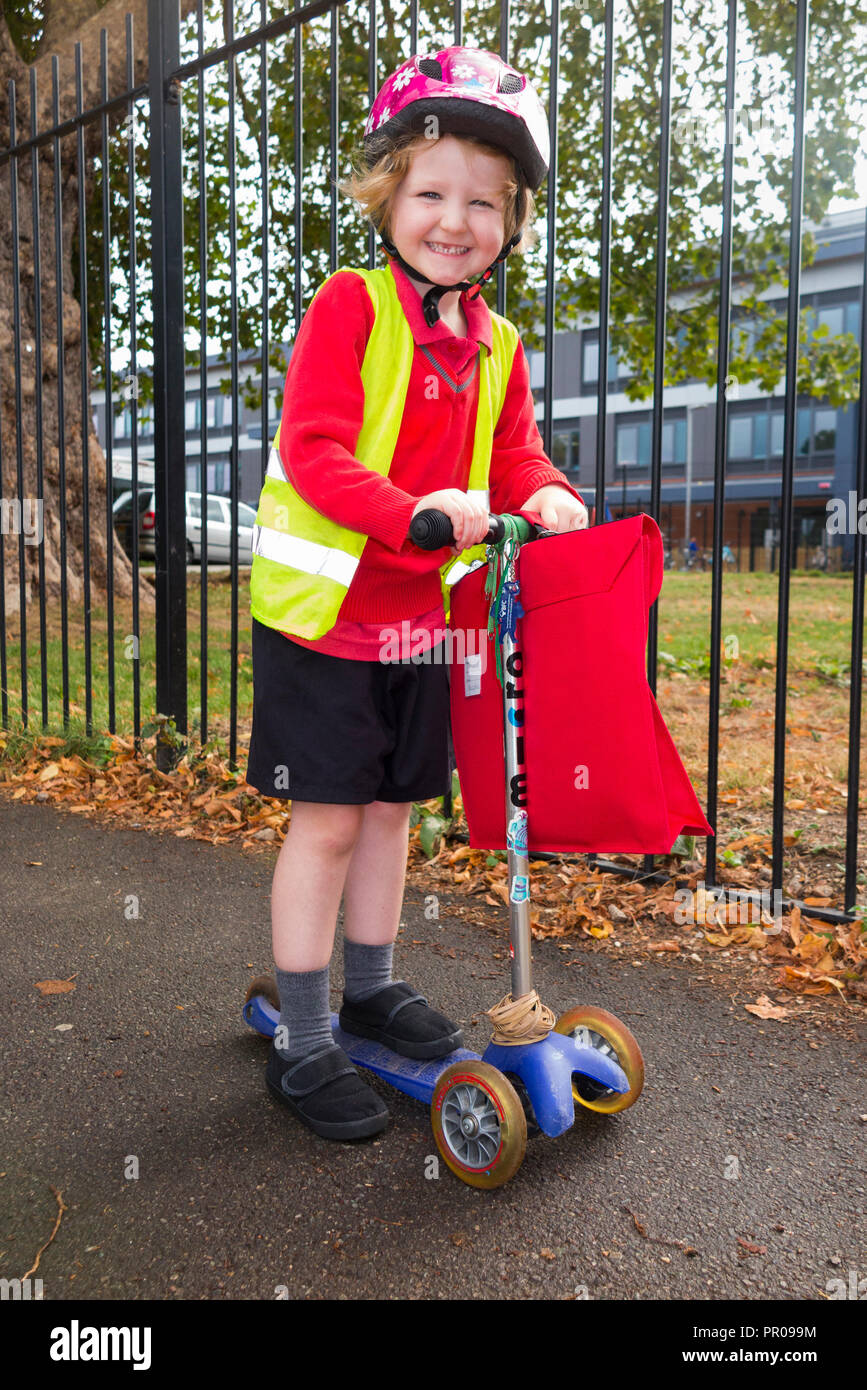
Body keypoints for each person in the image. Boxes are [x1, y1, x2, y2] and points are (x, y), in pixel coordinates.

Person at [245, 46, 588, 1142]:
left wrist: (549, 494)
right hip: (328, 623)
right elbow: (313, 451)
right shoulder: (353, 307)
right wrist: (416, 515)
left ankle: (373, 984)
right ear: (389, 193)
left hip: (418, 630)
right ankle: (304, 1038)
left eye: (483, 202)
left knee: (395, 811)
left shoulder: (499, 345)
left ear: (511, 221)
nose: (456, 219)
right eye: (433, 192)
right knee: (332, 821)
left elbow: (513, 462)